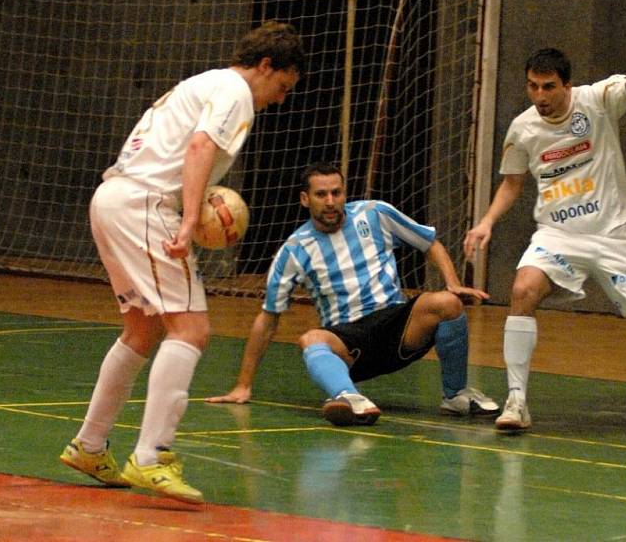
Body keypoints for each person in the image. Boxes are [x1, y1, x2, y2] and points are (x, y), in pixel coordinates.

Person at [59, 21, 305, 503]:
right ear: (265, 66)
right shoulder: (235, 90)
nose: (280, 99)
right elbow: (199, 148)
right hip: (147, 206)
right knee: (192, 330)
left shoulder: (204, 81)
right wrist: (190, 219)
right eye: (281, 86)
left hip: (113, 198)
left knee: (141, 330)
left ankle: (89, 445)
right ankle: (152, 456)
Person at [464, 41, 626, 432]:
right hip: (558, 236)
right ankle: (516, 400)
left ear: (568, 85)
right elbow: (511, 184)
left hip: (615, 237)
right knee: (522, 291)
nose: (540, 96)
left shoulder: (599, 100)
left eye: (549, 87)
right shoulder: (522, 129)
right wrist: (486, 221)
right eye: (533, 86)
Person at [207, 162, 499, 425]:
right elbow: (268, 318)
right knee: (311, 339)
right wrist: (243, 384)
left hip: (397, 327)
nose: (331, 202)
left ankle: (455, 395)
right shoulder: (294, 250)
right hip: (349, 343)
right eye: (321, 195)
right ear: (305, 199)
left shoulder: (375, 213)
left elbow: (430, 243)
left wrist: (452, 282)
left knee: (448, 303)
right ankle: (348, 396)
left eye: (337, 192)